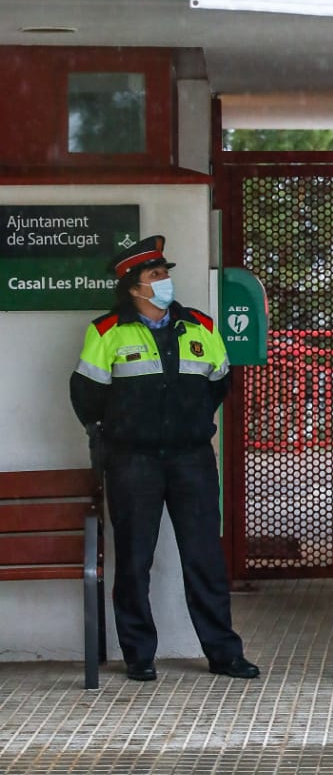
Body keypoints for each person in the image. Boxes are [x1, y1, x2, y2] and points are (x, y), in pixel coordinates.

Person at [69, 235, 259, 682]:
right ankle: (139, 654)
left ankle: (223, 653)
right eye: (155, 275)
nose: (165, 280)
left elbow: (218, 382)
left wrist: (187, 424)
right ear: (134, 288)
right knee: (135, 559)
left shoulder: (200, 326)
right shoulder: (106, 331)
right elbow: (87, 396)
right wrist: (123, 433)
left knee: (204, 557)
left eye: (164, 273)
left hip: (191, 459)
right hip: (133, 462)